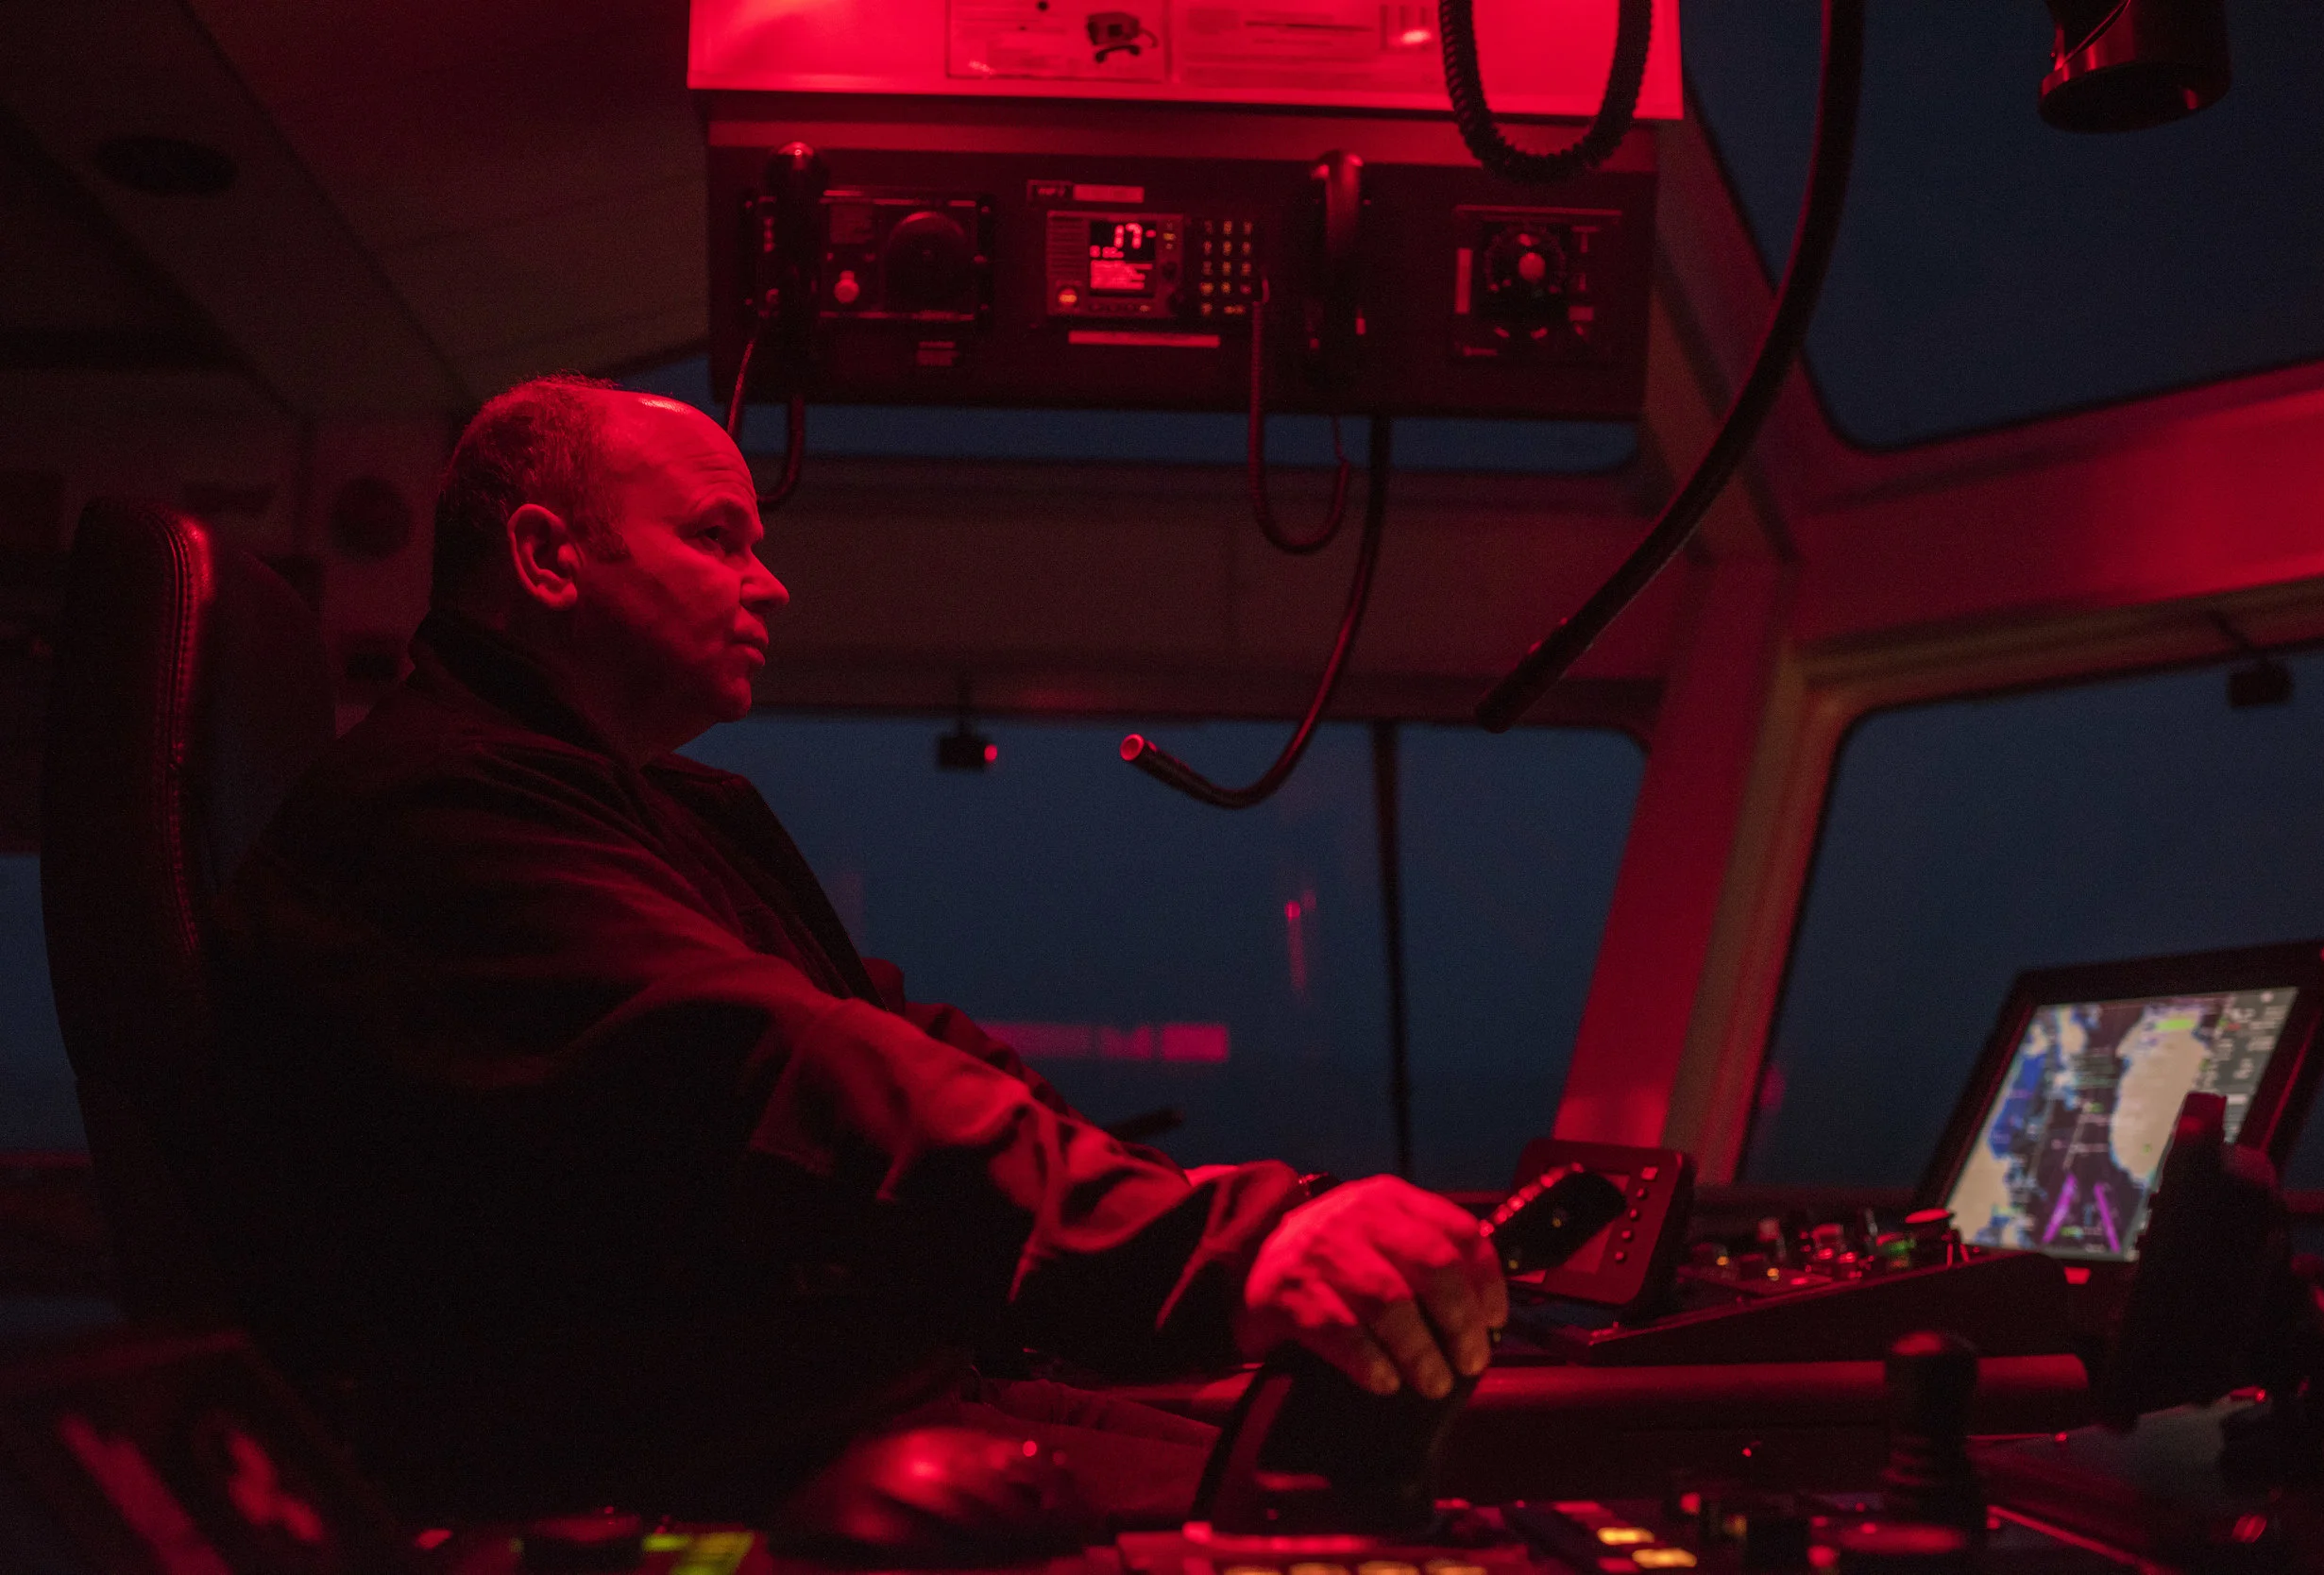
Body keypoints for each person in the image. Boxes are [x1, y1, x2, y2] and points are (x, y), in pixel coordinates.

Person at [211, 374, 1506, 1527]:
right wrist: (1226, 1254)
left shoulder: (653, 814)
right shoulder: (441, 813)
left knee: (1406, 1476)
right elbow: (787, 1069)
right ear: (549, 558)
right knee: (1350, 1522)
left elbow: (907, 1047)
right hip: (692, 1454)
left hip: (856, 1397)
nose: (768, 583)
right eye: (718, 538)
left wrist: (1208, 1222)